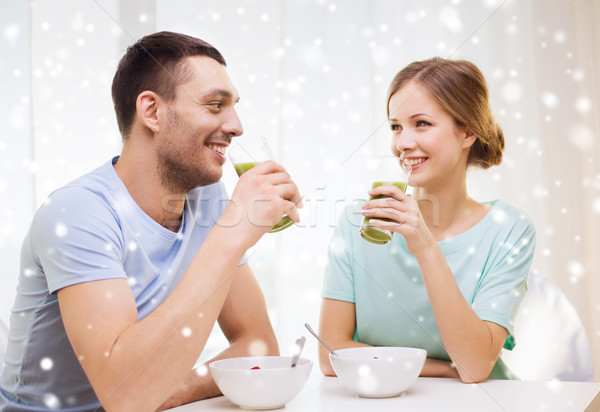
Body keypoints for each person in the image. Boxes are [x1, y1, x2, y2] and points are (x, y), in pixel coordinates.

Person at [0, 31, 302, 411]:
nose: (237, 125)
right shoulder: (77, 213)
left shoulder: (206, 198)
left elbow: (258, 345)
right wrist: (231, 236)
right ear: (152, 112)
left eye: (234, 107)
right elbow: (126, 399)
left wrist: (166, 392)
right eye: (214, 105)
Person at [318, 57, 536, 383]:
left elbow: (475, 367)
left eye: (421, 123)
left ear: (468, 132)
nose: (402, 144)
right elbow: (330, 353)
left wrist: (426, 248)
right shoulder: (358, 224)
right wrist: (445, 370)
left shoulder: (510, 230)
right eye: (395, 127)